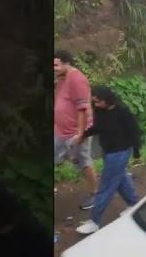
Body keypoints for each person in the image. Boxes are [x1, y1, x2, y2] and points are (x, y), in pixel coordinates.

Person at [76, 86, 141, 235]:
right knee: (121, 179)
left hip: (120, 152)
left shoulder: (122, 112)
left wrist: (136, 152)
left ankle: (94, 221)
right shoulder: (100, 110)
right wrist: (83, 135)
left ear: (107, 100)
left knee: (106, 186)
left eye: (98, 102)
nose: (96, 104)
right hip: (108, 151)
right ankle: (133, 204)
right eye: (94, 101)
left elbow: (134, 132)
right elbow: (98, 127)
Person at [54, 49, 97, 210]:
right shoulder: (61, 78)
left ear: (66, 63)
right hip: (60, 130)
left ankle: (94, 193)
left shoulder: (77, 79)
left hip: (75, 132)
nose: (54, 68)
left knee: (83, 162)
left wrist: (80, 134)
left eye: (56, 65)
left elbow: (83, 108)